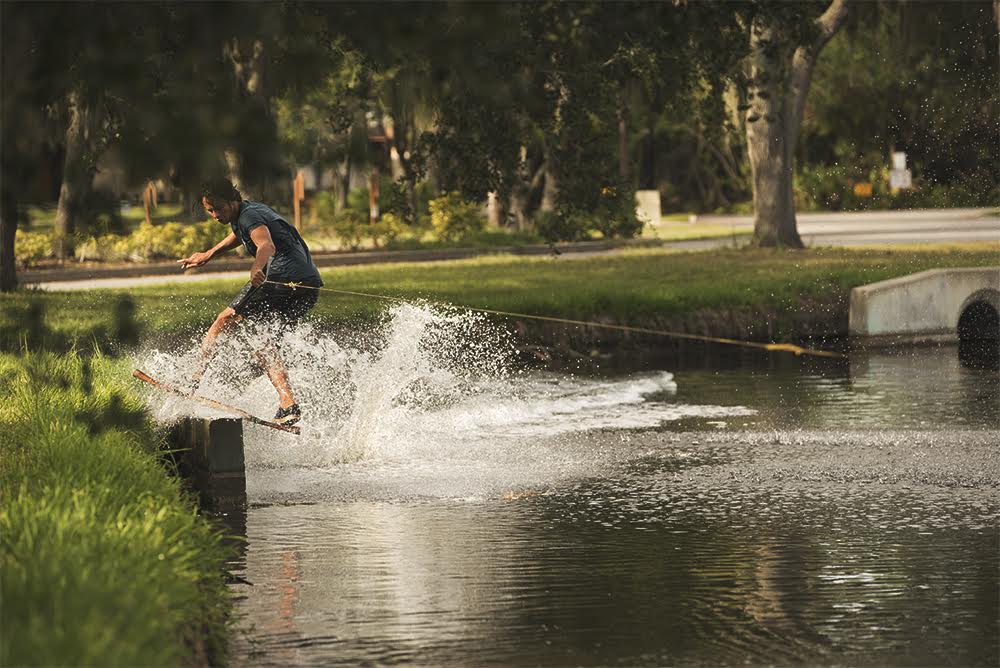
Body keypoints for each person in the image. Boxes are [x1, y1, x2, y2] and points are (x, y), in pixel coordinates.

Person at [177, 177, 323, 426]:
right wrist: (208, 254)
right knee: (263, 343)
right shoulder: (249, 211)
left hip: (280, 278)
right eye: (210, 210)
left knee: (224, 319)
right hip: (308, 286)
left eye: (219, 209)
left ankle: (191, 379)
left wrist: (258, 266)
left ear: (233, 201)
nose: (215, 215)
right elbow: (241, 235)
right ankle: (289, 405)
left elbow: (265, 244)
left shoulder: (248, 217)